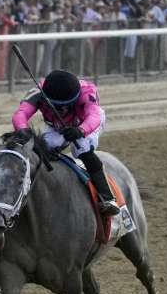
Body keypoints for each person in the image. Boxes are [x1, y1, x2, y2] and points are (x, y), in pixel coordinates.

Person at [11, 69, 119, 216]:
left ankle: (107, 197)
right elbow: (20, 114)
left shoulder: (87, 92)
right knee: (43, 150)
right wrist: (23, 131)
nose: (60, 110)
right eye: (54, 106)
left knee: (82, 150)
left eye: (65, 106)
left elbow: (94, 116)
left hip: (85, 123)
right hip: (56, 126)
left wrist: (80, 130)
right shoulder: (38, 92)